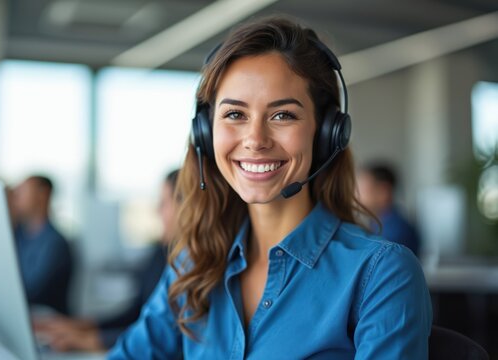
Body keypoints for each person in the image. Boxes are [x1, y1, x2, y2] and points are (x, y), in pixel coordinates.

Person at [109, 16, 432, 359]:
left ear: (325, 134)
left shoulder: (380, 274)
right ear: (206, 131)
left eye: (282, 116)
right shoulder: (194, 264)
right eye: (235, 114)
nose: (255, 140)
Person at [34, 170, 180, 352]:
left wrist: (90, 340)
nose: (157, 211)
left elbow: (161, 334)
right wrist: (82, 327)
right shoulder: (161, 253)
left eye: (164, 203)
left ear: (185, 207)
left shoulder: (183, 265)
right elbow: (136, 312)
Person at [13, 175, 72, 314]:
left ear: (43, 194)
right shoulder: (19, 236)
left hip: (48, 320)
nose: (16, 197)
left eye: (22, 191)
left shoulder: (55, 243)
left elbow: (34, 293)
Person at [357, 162, 421, 256]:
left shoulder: (395, 234)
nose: (356, 195)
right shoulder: (379, 224)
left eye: (361, 189)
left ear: (383, 190)